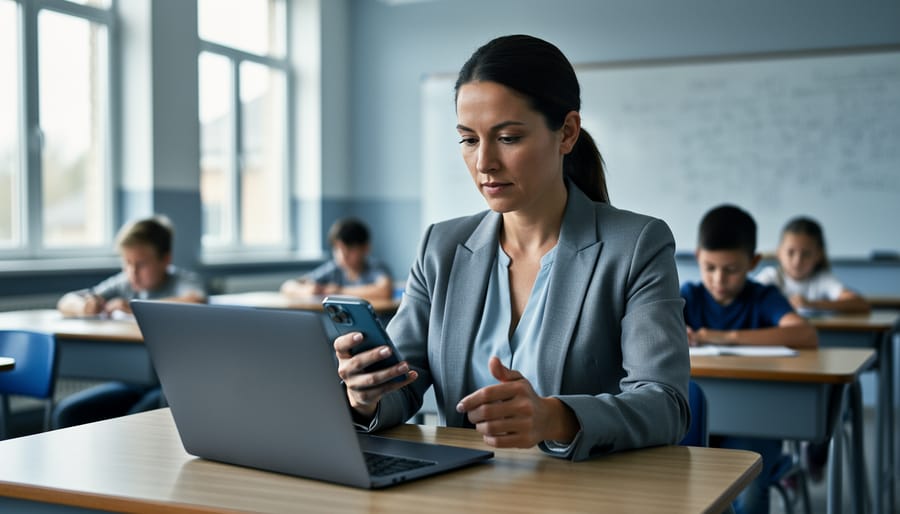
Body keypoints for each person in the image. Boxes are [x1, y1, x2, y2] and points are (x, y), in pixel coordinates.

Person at [332, 34, 690, 462]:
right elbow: (401, 383)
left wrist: (554, 417)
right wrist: (365, 396)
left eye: (508, 138)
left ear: (567, 133)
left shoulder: (635, 245)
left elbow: (666, 405)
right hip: (464, 492)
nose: (484, 162)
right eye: (468, 139)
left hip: (587, 495)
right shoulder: (441, 247)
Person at [681, 204, 817, 514]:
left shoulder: (763, 298)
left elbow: (805, 335)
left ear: (753, 263)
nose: (719, 279)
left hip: (758, 425)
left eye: (731, 270)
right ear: (698, 256)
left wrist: (723, 337)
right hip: (698, 425)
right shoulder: (689, 294)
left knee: (751, 486)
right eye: (710, 267)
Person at [57, 215, 206, 317]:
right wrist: (85, 307)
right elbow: (66, 301)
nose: (132, 272)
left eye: (141, 264)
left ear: (165, 259)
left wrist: (135, 308)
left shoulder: (182, 281)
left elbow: (196, 301)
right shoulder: (124, 283)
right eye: (127, 263)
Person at [756, 216, 870, 314]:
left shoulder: (822, 279)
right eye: (790, 252)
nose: (797, 261)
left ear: (818, 255)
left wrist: (811, 304)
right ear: (779, 252)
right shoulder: (770, 276)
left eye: (806, 254)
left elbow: (860, 304)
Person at [280, 217, 393, 301]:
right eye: (337, 249)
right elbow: (287, 286)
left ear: (365, 248)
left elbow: (384, 290)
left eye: (349, 249)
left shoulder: (375, 267)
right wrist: (309, 290)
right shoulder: (334, 268)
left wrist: (339, 291)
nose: (342, 256)